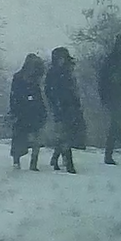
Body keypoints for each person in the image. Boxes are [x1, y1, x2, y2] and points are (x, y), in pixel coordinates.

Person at [44, 46, 86, 174]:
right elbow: (48, 91)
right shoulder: (53, 73)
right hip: (60, 107)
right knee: (64, 134)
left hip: (71, 107)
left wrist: (76, 104)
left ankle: (56, 157)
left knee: (66, 134)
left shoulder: (68, 71)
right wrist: (55, 103)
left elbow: (73, 89)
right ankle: (69, 164)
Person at [98, 33, 121, 165]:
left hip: (119, 96)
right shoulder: (113, 60)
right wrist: (105, 96)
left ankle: (116, 154)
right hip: (114, 96)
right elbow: (104, 79)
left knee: (115, 125)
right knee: (116, 124)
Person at [9, 53, 47, 171]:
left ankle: (32, 162)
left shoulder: (33, 78)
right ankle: (19, 161)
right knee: (21, 137)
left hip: (32, 112)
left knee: (33, 137)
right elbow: (15, 96)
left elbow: (38, 96)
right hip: (24, 112)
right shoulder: (21, 78)